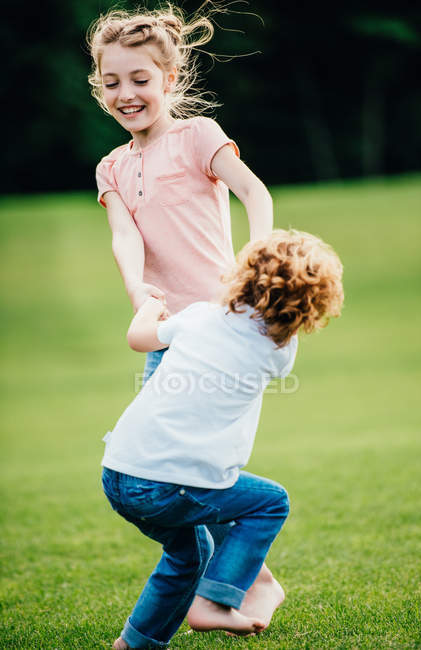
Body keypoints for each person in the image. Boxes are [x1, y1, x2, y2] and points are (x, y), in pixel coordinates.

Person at [87, 3, 279, 624]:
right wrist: (139, 292)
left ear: (169, 80)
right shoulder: (112, 166)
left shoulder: (198, 136)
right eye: (111, 82)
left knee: (196, 461)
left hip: (220, 330)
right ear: (99, 86)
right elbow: (126, 237)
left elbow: (253, 190)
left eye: (140, 79)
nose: (126, 93)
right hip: (167, 333)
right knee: (174, 462)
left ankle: (243, 584)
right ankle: (248, 581)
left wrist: (258, 255)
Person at [100, 229, 344, 649]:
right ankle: (216, 600)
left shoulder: (198, 315)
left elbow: (138, 340)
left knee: (190, 555)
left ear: (242, 274)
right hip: (167, 482)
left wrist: (152, 306)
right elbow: (274, 330)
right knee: (271, 502)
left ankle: (134, 644)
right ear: (312, 307)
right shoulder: (279, 352)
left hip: (119, 470)